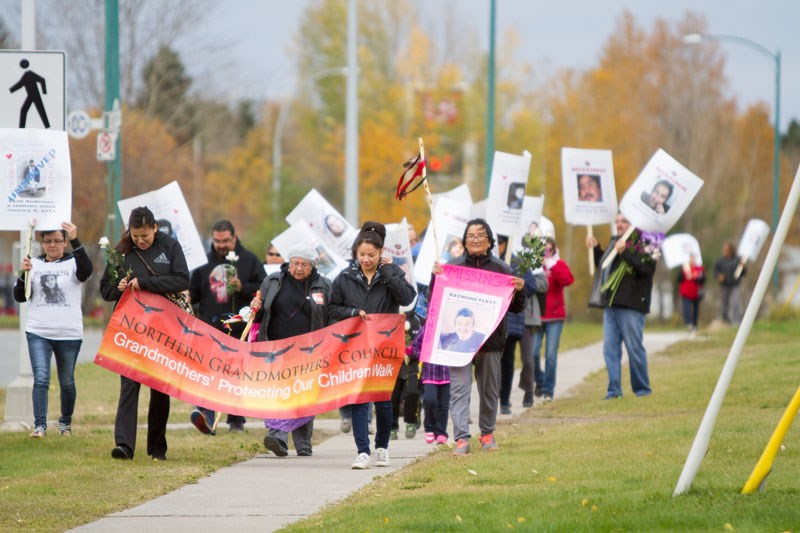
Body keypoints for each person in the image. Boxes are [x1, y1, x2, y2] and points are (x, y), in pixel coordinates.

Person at [100, 206, 190, 461]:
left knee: (159, 387)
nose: (139, 241)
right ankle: (124, 445)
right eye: (135, 236)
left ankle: (157, 447)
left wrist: (146, 283)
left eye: (144, 236)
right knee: (129, 384)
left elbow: (182, 280)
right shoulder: (120, 251)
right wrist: (118, 288)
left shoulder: (170, 247)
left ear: (154, 228)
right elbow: (105, 291)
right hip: (131, 329)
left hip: (163, 328)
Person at [432, 218, 526, 455]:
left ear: (490, 242)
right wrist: (436, 279)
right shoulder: (452, 267)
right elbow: (435, 300)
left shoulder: (502, 270)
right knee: (459, 389)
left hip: (490, 341)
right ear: (464, 241)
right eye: (470, 236)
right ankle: (462, 439)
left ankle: (487, 434)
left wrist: (520, 291)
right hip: (457, 343)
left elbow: (515, 308)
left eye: (480, 236)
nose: (475, 239)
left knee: (489, 390)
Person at [329, 221, 416, 469]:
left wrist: (389, 274)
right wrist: (354, 312)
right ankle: (362, 451)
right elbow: (332, 308)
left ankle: (382, 448)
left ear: (381, 253)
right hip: (355, 347)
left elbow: (408, 298)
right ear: (356, 253)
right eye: (362, 255)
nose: (366, 259)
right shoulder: (346, 277)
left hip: (384, 348)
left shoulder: (392, 273)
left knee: (383, 399)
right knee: (359, 398)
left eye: (372, 255)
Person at [249, 244, 332, 457]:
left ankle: (303, 443)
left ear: (312, 266)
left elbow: (332, 317)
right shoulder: (274, 281)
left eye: (304, 265)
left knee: (304, 395)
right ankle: (278, 437)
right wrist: (255, 306)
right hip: (275, 348)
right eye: (295, 263)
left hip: (309, 351)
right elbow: (261, 315)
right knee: (279, 393)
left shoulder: (323, 286)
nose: (298, 268)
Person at [14, 222, 93, 438]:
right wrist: (23, 275)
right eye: (48, 241)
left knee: (67, 381)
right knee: (41, 379)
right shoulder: (34, 264)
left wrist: (77, 240)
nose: (52, 245)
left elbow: (87, 270)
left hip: (69, 333)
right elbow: (20, 296)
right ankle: (40, 425)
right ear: (41, 243)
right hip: (39, 331)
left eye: (58, 241)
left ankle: (65, 423)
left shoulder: (73, 263)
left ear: (65, 242)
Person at [189, 220, 266, 434]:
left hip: (239, 329)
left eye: (225, 240)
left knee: (235, 375)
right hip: (209, 329)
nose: (221, 245)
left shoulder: (249, 260)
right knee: (208, 373)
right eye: (217, 241)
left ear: (234, 238)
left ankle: (236, 419)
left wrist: (243, 287)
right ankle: (206, 416)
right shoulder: (202, 263)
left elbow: (264, 288)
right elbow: (193, 293)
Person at [586, 213, 656, 400]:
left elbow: (647, 269)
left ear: (635, 224)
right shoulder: (615, 241)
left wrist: (625, 251)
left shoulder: (647, 242)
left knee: (634, 348)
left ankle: (642, 390)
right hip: (611, 304)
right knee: (610, 349)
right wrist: (596, 249)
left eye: (624, 221)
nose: (619, 224)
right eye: (617, 221)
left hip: (632, 304)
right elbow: (606, 265)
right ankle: (614, 390)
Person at [531, 236, 574, 403]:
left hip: (555, 317)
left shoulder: (558, 264)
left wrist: (553, 266)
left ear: (554, 250)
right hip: (537, 316)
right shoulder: (534, 266)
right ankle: (539, 381)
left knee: (550, 355)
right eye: (543, 250)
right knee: (533, 353)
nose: (545, 253)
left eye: (549, 250)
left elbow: (568, 280)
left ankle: (548, 390)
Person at [390, 312, 422, 440]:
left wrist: (411, 351)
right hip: (394, 364)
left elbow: (423, 342)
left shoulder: (417, 320)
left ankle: (411, 421)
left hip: (412, 364)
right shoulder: (390, 318)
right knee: (393, 396)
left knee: (412, 392)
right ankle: (392, 427)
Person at [713, 242, 745, 324]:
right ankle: (725, 320)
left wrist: (742, 266)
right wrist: (718, 276)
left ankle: (736, 321)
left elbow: (743, 273)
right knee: (725, 303)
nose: (725, 251)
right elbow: (715, 271)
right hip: (725, 285)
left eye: (727, 249)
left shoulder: (737, 260)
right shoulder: (720, 260)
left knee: (736, 302)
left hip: (735, 285)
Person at [678, 255, 705, 332]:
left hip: (696, 292)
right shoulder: (684, 268)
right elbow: (679, 279)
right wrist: (684, 275)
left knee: (695, 309)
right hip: (686, 292)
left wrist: (696, 277)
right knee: (687, 308)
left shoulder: (699, 269)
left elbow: (702, 280)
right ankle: (689, 323)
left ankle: (695, 325)